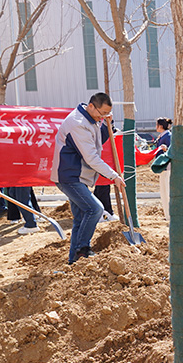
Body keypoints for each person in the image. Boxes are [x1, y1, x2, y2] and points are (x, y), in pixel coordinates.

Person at [51, 92, 124, 264]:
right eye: (101, 113)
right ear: (91, 106)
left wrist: (108, 123)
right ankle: (82, 249)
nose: (102, 117)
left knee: (81, 219)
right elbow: (91, 157)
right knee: (95, 209)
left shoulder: (91, 119)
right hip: (70, 176)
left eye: (106, 114)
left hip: (77, 176)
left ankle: (74, 261)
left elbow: (97, 141)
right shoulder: (78, 123)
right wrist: (114, 176)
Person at [154, 117, 173, 222]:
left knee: (167, 191)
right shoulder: (163, 136)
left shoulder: (168, 136)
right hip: (163, 168)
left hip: (167, 167)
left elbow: (171, 151)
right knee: (164, 192)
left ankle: (169, 215)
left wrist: (166, 149)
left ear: (160, 126)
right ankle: (167, 215)